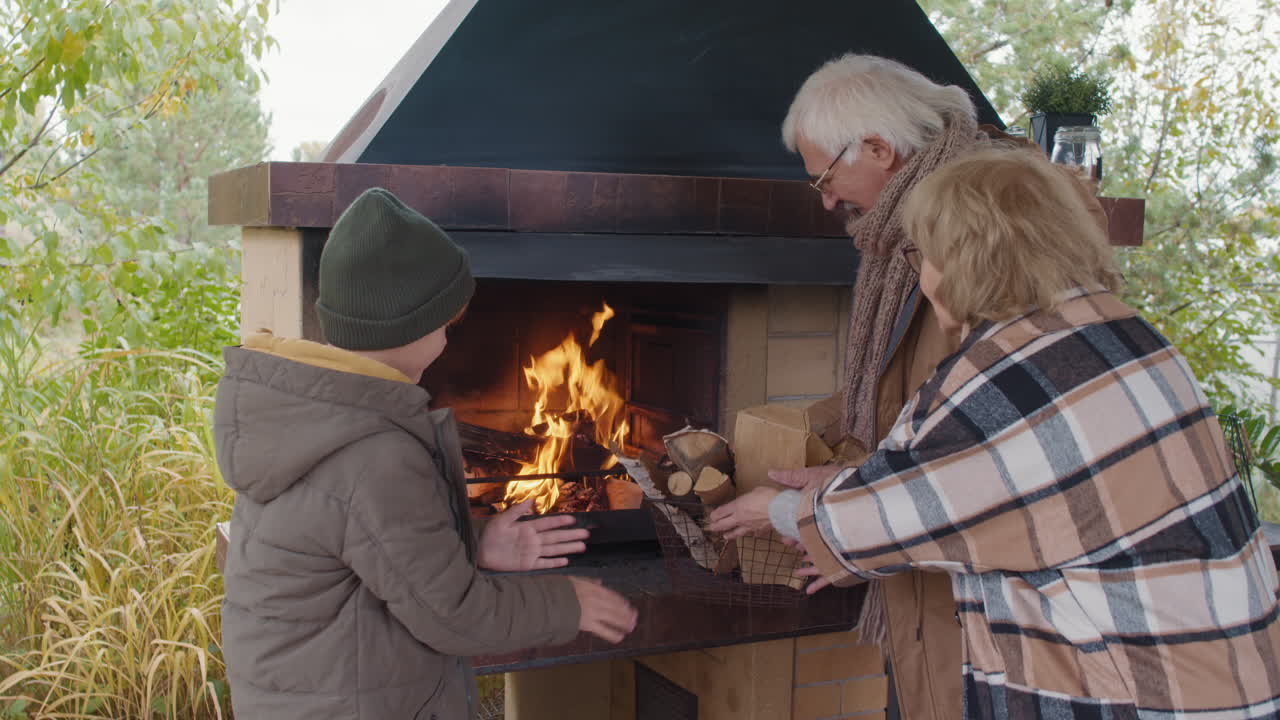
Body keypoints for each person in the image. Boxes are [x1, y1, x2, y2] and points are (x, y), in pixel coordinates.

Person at [711, 147, 1280, 719]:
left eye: (924, 253)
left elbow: (891, 516)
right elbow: (993, 477)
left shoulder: (1011, 374)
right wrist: (853, 479)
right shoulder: (1113, 330)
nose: (920, 274)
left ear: (967, 258)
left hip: (1142, 690)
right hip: (1219, 671)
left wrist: (779, 510)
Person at [214, 188, 638, 719]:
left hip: (310, 691)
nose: (450, 335)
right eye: (446, 323)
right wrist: (567, 603)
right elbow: (455, 616)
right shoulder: (373, 455)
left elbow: (369, 545)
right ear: (408, 327)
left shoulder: (311, 415)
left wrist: (474, 544)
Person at [772, 52, 1000, 720]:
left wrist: (807, 516)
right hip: (925, 596)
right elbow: (904, 398)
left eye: (826, 178)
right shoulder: (907, 240)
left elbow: (969, 453)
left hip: (981, 616)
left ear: (878, 148)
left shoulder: (981, 238)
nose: (828, 200)